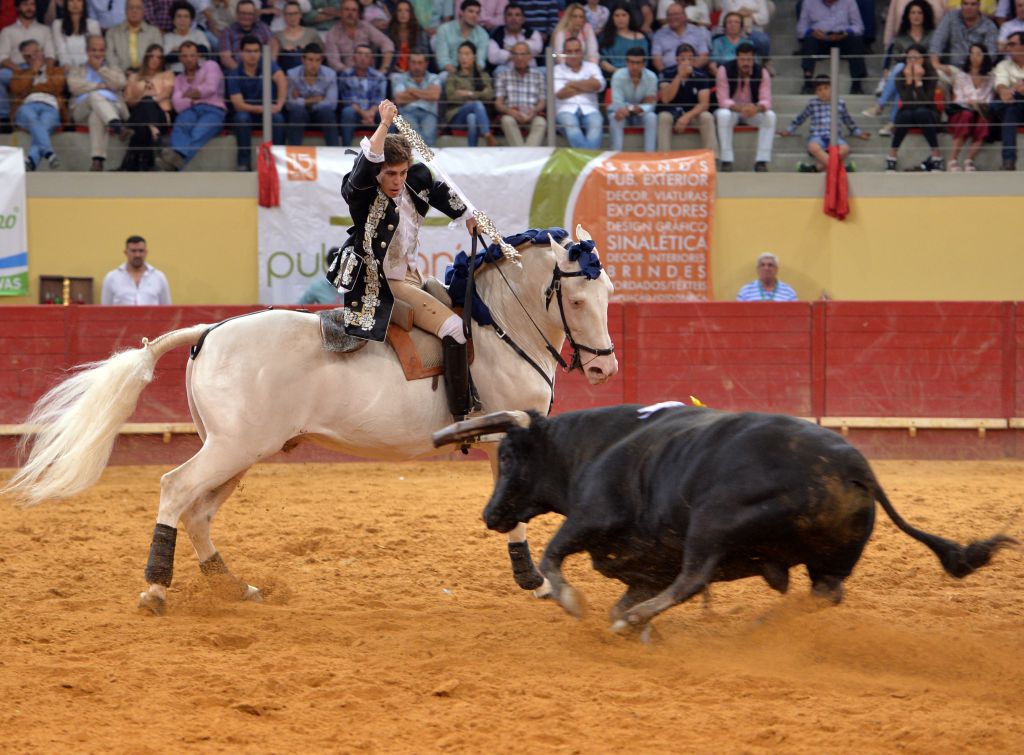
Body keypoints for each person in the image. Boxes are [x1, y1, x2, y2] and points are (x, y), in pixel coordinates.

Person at [324, 99, 479, 419]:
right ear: (377, 172)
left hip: (410, 275)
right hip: (381, 281)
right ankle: (461, 411)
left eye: (402, 173)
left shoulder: (416, 178)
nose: (397, 180)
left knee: (454, 303)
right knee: (455, 329)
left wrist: (468, 215)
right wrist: (383, 124)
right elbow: (367, 163)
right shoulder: (361, 191)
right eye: (390, 174)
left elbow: (441, 192)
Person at [862, 0, 936, 138]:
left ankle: (880, 106)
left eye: (919, 12)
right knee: (901, 72)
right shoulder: (900, 37)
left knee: (902, 70)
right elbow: (895, 59)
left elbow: (934, 56)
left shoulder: (933, 35)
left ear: (925, 15)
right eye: (912, 12)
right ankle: (893, 122)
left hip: (924, 74)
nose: (916, 16)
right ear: (907, 16)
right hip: (905, 74)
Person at [156, 40, 225, 170]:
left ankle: (175, 161)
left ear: (198, 56)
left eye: (192, 55)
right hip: (191, 110)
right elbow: (177, 104)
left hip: (214, 110)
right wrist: (195, 98)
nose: (189, 59)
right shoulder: (179, 79)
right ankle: (176, 162)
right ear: (180, 58)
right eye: (185, 56)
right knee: (181, 123)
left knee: (198, 132)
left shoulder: (210, 65)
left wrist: (188, 96)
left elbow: (211, 88)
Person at [779, 74, 869, 173]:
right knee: (813, 147)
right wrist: (789, 130)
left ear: (832, 89)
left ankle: (816, 168)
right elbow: (800, 118)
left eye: (826, 88)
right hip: (817, 137)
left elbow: (848, 121)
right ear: (816, 92)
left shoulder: (840, 103)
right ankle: (841, 169)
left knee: (845, 149)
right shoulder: (812, 103)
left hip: (835, 137)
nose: (823, 92)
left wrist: (858, 132)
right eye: (819, 90)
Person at [68, 35, 129, 172]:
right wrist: (99, 86)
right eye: (93, 50)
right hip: (82, 110)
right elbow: (74, 86)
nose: (97, 54)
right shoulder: (78, 69)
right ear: (87, 51)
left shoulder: (113, 68)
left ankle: (97, 161)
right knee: (94, 95)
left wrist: (101, 69)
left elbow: (120, 84)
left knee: (96, 115)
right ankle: (117, 126)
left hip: (113, 107)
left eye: (101, 50)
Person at [226, 34, 286, 170]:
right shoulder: (234, 74)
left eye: (255, 51)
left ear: (260, 52)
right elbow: (238, 105)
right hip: (247, 112)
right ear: (241, 53)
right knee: (241, 118)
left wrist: (280, 104)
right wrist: (264, 109)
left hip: (266, 111)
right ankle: (244, 163)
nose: (252, 55)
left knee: (277, 118)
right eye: (248, 51)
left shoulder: (267, 64)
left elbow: (281, 79)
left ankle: (277, 163)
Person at [715, 42, 774, 172]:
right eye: (742, 59)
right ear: (736, 58)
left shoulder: (762, 71)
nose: (745, 63)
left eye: (749, 59)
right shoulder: (724, 69)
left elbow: (767, 100)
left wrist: (756, 108)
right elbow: (723, 100)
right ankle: (726, 160)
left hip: (752, 111)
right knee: (722, 114)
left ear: (754, 59)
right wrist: (741, 108)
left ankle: (761, 161)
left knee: (770, 116)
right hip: (733, 111)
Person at [884, 44, 943, 172]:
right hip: (908, 111)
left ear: (923, 59)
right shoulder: (900, 75)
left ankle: (936, 155)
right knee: (906, 114)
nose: (912, 62)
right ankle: (892, 155)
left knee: (921, 112)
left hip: (929, 113)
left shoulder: (932, 75)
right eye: (909, 58)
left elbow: (926, 102)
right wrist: (909, 81)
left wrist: (918, 81)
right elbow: (906, 102)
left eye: (915, 58)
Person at [9, 39, 65, 171]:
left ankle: (31, 161)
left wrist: (34, 86)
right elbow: (18, 89)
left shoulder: (56, 70)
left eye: (35, 52)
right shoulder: (19, 73)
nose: (33, 57)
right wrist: (33, 72)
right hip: (27, 106)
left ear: (42, 52)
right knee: (33, 118)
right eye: (28, 56)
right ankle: (49, 153)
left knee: (42, 126)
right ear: (24, 58)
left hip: (50, 106)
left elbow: (58, 87)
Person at [1, 0, 57, 124]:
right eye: (25, 4)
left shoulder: (44, 30)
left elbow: (50, 55)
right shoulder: (8, 31)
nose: (29, 8)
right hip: (15, 70)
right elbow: (2, 57)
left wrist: (44, 70)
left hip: (40, 68)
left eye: (32, 4)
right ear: (18, 7)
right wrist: (21, 71)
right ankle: (3, 117)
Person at [120, 43, 174, 170]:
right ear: (146, 58)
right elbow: (128, 101)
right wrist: (143, 97)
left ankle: (129, 164)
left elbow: (166, 93)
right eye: (152, 56)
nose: (155, 60)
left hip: (160, 114)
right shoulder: (134, 77)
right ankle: (146, 162)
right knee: (144, 120)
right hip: (139, 114)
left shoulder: (167, 74)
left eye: (159, 58)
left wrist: (150, 98)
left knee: (147, 102)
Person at [797, 0, 868, 94]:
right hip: (820, 39)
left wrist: (847, 33)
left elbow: (859, 26)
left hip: (842, 38)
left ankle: (856, 85)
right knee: (809, 41)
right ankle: (807, 83)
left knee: (856, 41)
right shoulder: (809, 2)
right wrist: (812, 32)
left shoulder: (849, 1)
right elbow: (801, 29)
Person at [657, 42, 715, 153]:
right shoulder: (667, 73)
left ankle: (711, 157)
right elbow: (665, 99)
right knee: (663, 117)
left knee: (707, 117)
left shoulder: (701, 75)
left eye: (690, 59)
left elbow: (704, 104)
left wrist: (687, 117)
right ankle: (663, 157)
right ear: (676, 60)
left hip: (692, 113)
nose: (686, 62)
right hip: (672, 112)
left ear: (694, 61)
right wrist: (679, 76)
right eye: (683, 59)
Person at [947, 43, 993, 171]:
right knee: (966, 116)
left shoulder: (990, 78)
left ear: (985, 57)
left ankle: (969, 160)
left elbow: (988, 99)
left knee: (984, 121)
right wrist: (972, 102)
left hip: (980, 111)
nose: (974, 57)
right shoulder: (961, 76)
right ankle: (952, 159)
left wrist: (977, 104)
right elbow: (959, 97)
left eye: (978, 54)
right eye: (972, 53)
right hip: (962, 110)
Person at [553, 36, 604, 149]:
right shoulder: (556, 70)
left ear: (582, 52)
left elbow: (598, 85)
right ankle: (589, 160)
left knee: (597, 123)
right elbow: (561, 94)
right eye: (569, 51)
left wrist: (571, 84)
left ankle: (583, 161)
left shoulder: (592, 67)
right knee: (572, 128)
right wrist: (587, 84)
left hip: (589, 108)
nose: (573, 54)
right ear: (564, 53)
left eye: (577, 50)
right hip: (565, 110)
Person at [928, 0, 997, 84]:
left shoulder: (989, 25)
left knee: (994, 78)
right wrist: (936, 64)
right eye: (965, 4)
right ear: (961, 5)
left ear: (979, 5)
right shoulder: (951, 17)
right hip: (952, 69)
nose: (969, 7)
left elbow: (991, 54)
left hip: (977, 72)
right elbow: (937, 41)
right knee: (938, 74)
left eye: (973, 4)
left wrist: (976, 70)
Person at [444, 40, 497, 146]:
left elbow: (490, 95)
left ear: (474, 57)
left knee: (472, 117)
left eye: (467, 54)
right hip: (457, 116)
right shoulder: (453, 76)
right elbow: (451, 96)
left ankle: (472, 150)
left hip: (478, 118)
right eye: (460, 54)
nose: (463, 57)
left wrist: (469, 94)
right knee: (476, 104)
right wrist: (478, 95)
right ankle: (487, 134)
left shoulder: (483, 75)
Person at [285, 41, 338, 145]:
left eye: (317, 60)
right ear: (302, 60)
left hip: (321, 114)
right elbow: (289, 104)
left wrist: (303, 101)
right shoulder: (292, 74)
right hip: (300, 114)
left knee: (327, 112)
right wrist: (314, 100)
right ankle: (293, 154)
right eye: (310, 60)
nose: (314, 64)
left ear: (321, 61)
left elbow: (332, 104)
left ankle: (335, 154)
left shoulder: (330, 74)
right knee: (297, 111)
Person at [494, 40, 545, 146]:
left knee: (541, 123)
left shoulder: (538, 75)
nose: (519, 58)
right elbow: (498, 103)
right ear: (512, 57)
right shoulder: (503, 75)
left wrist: (534, 111)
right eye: (516, 54)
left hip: (532, 114)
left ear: (530, 56)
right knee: (507, 120)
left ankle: (522, 155)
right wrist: (510, 111)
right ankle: (525, 155)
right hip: (512, 114)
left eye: (523, 54)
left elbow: (542, 102)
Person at [324, 0, 393, 74]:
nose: (350, 13)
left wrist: (384, 68)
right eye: (347, 9)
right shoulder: (332, 33)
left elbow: (387, 43)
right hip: (345, 76)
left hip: (370, 74)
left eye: (354, 10)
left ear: (358, 13)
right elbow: (334, 62)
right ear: (340, 12)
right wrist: (352, 73)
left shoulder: (365, 27)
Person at [608, 46, 657, 152]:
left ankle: (650, 155)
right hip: (623, 115)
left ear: (644, 64)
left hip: (640, 115)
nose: (634, 66)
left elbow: (651, 105)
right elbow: (618, 104)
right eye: (631, 62)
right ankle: (617, 155)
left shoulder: (652, 77)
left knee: (652, 117)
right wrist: (637, 106)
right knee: (614, 117)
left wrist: (629, 108)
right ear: (626, 62)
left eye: (638, 63)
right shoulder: (618, 76)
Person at [337, 42, 387, 144]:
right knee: (347, 112)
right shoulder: (346, 75)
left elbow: (380, 99)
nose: (363, 58)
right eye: (359, 54)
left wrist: (371, 113)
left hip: (374, 112)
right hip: (355, 111)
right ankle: (346, 148)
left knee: (388, 114)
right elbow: (347, 100)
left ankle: (389, 153)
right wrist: (364, 114)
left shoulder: (379, 77)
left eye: (367, 55)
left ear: (371, 60)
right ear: (353, 58)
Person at [101, 235, 172, 305]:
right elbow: (105, 310)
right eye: (133, 251)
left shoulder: (159, 277)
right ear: (126, 253)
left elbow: (167, 309)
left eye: (141, 251)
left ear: (146, 252)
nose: (137, 255)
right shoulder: (111, 278)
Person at [391, 49, 441, 145]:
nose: (416, 66)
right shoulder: (400, 78)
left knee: (429, 139)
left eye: (420, 63)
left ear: (426, 64)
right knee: (414, 140)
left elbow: (435, 95)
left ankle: (426, 159)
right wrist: (426, 93)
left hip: (429, 113)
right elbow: (399, 99)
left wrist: (412, 91)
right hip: (407, 112)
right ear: (409, 63)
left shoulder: (434, 77)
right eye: (413, 63)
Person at [991, 31, 1024, 171]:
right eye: (1007, 45)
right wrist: (1007, 91)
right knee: (1010, 110)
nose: (1008, 48)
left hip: (1014, 103)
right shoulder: (1004, 65)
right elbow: (1000, 84)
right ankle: (1008, 161)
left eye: (1012, 44)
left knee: (1006, 107)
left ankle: (1009, 161)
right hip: (1016, 107)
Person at [651, 2, 709, 73]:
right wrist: (665, 74)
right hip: (669, 74)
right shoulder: (659, 34)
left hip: (693, 73)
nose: (672, 17)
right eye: (669, 15)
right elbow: (656, 59)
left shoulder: (697, 32)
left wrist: (690, 70)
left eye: (676, 14)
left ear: (685, 16)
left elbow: (704, 56)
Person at [106, 0, 163, 71]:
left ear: (143, 12)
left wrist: (144, 73)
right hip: (119, 75)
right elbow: (110, 56)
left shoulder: (154, 32)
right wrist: (121, 73)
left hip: (147, 74)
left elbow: (156, 56)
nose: (134, 11)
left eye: (138, 8)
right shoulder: (112, 32)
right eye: (131, 8)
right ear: (125, 11)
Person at [435, 0, 490, 74]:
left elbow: (480, 62)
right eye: (470, 11)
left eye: (477, 13)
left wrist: (470, 75)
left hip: (472, 74)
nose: (474, 15)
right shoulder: (444, 30)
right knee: (443, 76)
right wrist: (458, 74)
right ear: (461, 13)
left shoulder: (482, 34)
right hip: (449, 72)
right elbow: (443, 61)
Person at [219, 0, 275, 71]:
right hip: (238, 73)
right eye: (243, 13)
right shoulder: (228, 31)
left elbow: (272, 48)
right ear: (237, 14)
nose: (246, 17)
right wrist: (243, 72)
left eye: (250, 14)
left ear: (254, 15)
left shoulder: (263, 28)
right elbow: (225, 58)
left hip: (262, 72)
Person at [487, 2, 542, 71]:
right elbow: (492, 57)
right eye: (510, 15)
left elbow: (537, 49)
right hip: (507, 73)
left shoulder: (531, 33)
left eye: (517, 15)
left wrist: (509, 50)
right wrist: (523, 51)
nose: (513, 18)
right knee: (499, 70)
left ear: (523, 19)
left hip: (530, 71)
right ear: (504, 18)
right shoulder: (496, 34)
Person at [599, 2, 649, 77]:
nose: (620, 19)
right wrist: (618, 72)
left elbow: (645, 62)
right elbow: (602, 61)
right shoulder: (605, 37)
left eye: (624, 15)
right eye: (617, 15)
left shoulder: (640, 38)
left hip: (636, 76)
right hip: (612, 75)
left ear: (630, 16)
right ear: (612, 18)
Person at [275, 0, 323, 72]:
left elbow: (323, 55)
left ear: (300, 14)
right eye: (289, 14)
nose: (292, 17)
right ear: (284, 16)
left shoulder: (312, 33)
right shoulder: (278, 36)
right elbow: (273, 62)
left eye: (295, 13)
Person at [52, 0, 102, 68]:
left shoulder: (93, 24)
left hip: (90, 67)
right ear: (66, 3)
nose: (75, 4)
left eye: (79, 1)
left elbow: (96, 51)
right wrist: (67, 67)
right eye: (71, 1)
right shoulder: (57, 24)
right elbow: (61, 51)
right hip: (66, 68)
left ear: (84, 4)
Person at [162, 0, 209, 71]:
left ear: (191, 21)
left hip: (199, 73)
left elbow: (204, 50)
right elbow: (168, 58)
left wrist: (178, 51)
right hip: (176, 75)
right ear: (173, 20)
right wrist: (194, 52)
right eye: (179, 16)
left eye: (186, 16)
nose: (182, 20)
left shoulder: (198, 34)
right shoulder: (168, 37)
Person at [387, 0, 429, 72]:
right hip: (394, 72)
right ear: (395, 13)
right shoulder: (389, 32)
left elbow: (424, 53)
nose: (403, 14)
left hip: (416, 70)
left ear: (411, 13)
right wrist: (397, 70)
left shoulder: (419, 31)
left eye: (407, 11)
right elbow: (388, 57)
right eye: (399, 10)